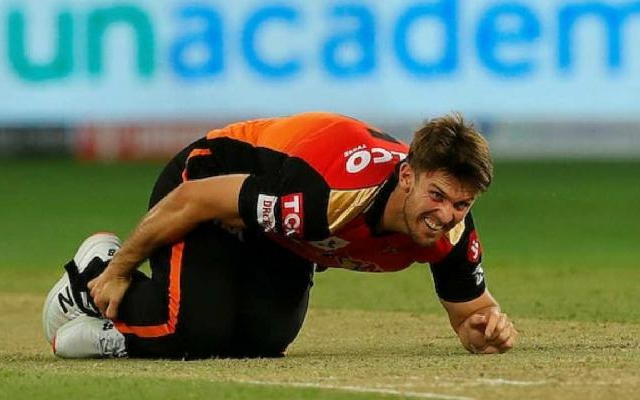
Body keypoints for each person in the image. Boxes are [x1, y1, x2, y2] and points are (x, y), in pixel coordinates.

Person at [43, 112, 517, 359]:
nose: (445, 215)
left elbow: (470, 311)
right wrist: (121, 268)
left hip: (280, 229)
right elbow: (194, 200)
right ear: (408, 176)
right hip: (211, 177)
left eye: (461, 204)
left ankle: (127, 329)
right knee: (191, 331)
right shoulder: (327, 197)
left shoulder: (452, 229)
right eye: (437, 195)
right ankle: (92, 273)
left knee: (263, 342)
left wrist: (484, 328)